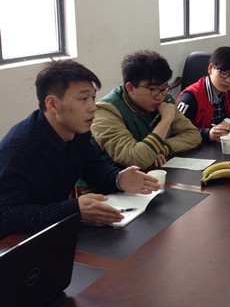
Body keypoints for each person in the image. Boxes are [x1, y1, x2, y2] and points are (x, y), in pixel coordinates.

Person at [0, 60, 160, 238]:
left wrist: (119, 179)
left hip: (55, 233)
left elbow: (93, 168)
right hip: (20, 244)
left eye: (93, 97)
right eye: (83, 99)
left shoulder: (77, 131)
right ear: (52, 104)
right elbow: (5, 216)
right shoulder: (18, 148)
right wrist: (73, 209)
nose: (93, 107)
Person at [91, 50, 201, 169]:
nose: (160, 96)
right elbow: (136, 159)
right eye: (153, 89)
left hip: (151, 172)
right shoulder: (105, 111)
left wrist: (162, 148)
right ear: (131, 88)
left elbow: (193, 135)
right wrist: (166, 120)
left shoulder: (165, 102)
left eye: (164, 88)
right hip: (111, 178)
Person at [176, 46, 230, 142]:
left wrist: (229, 121)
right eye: (223, 73)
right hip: (196, 146)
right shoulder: (191, 96)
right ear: (210, 68)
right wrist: (207, 134)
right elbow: (177, 129)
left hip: (219, 144)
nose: (228, 80)